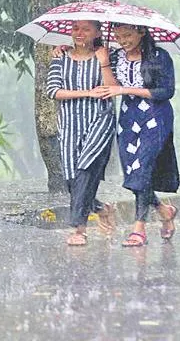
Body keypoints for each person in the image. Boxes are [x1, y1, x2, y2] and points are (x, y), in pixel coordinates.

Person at [99, 23, 180, 247]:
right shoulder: (115, 56)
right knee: (133, 172)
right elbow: (88, 52)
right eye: (119, 36)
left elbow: (166, 91)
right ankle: (164, 210)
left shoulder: (159, 56)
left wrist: (124, 90)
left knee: (143, 168)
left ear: (141, 32)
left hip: (156, 117)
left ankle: (139, 229)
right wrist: (62, 49)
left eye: (128, 35)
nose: (123, 40)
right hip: (128, 118)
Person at [46, 20, 118, 246]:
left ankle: (79, 228)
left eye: (86, 29)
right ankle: (100, 208)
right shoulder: (60, 56)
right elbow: (53, 91)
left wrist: (105, 62)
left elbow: (112, 89)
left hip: (99, 120)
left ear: (97, 32)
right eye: (75, 28)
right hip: (68, 123)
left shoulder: (109, 55)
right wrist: (88, 93)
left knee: (85, 168)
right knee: (71, 178)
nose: (79, 33)